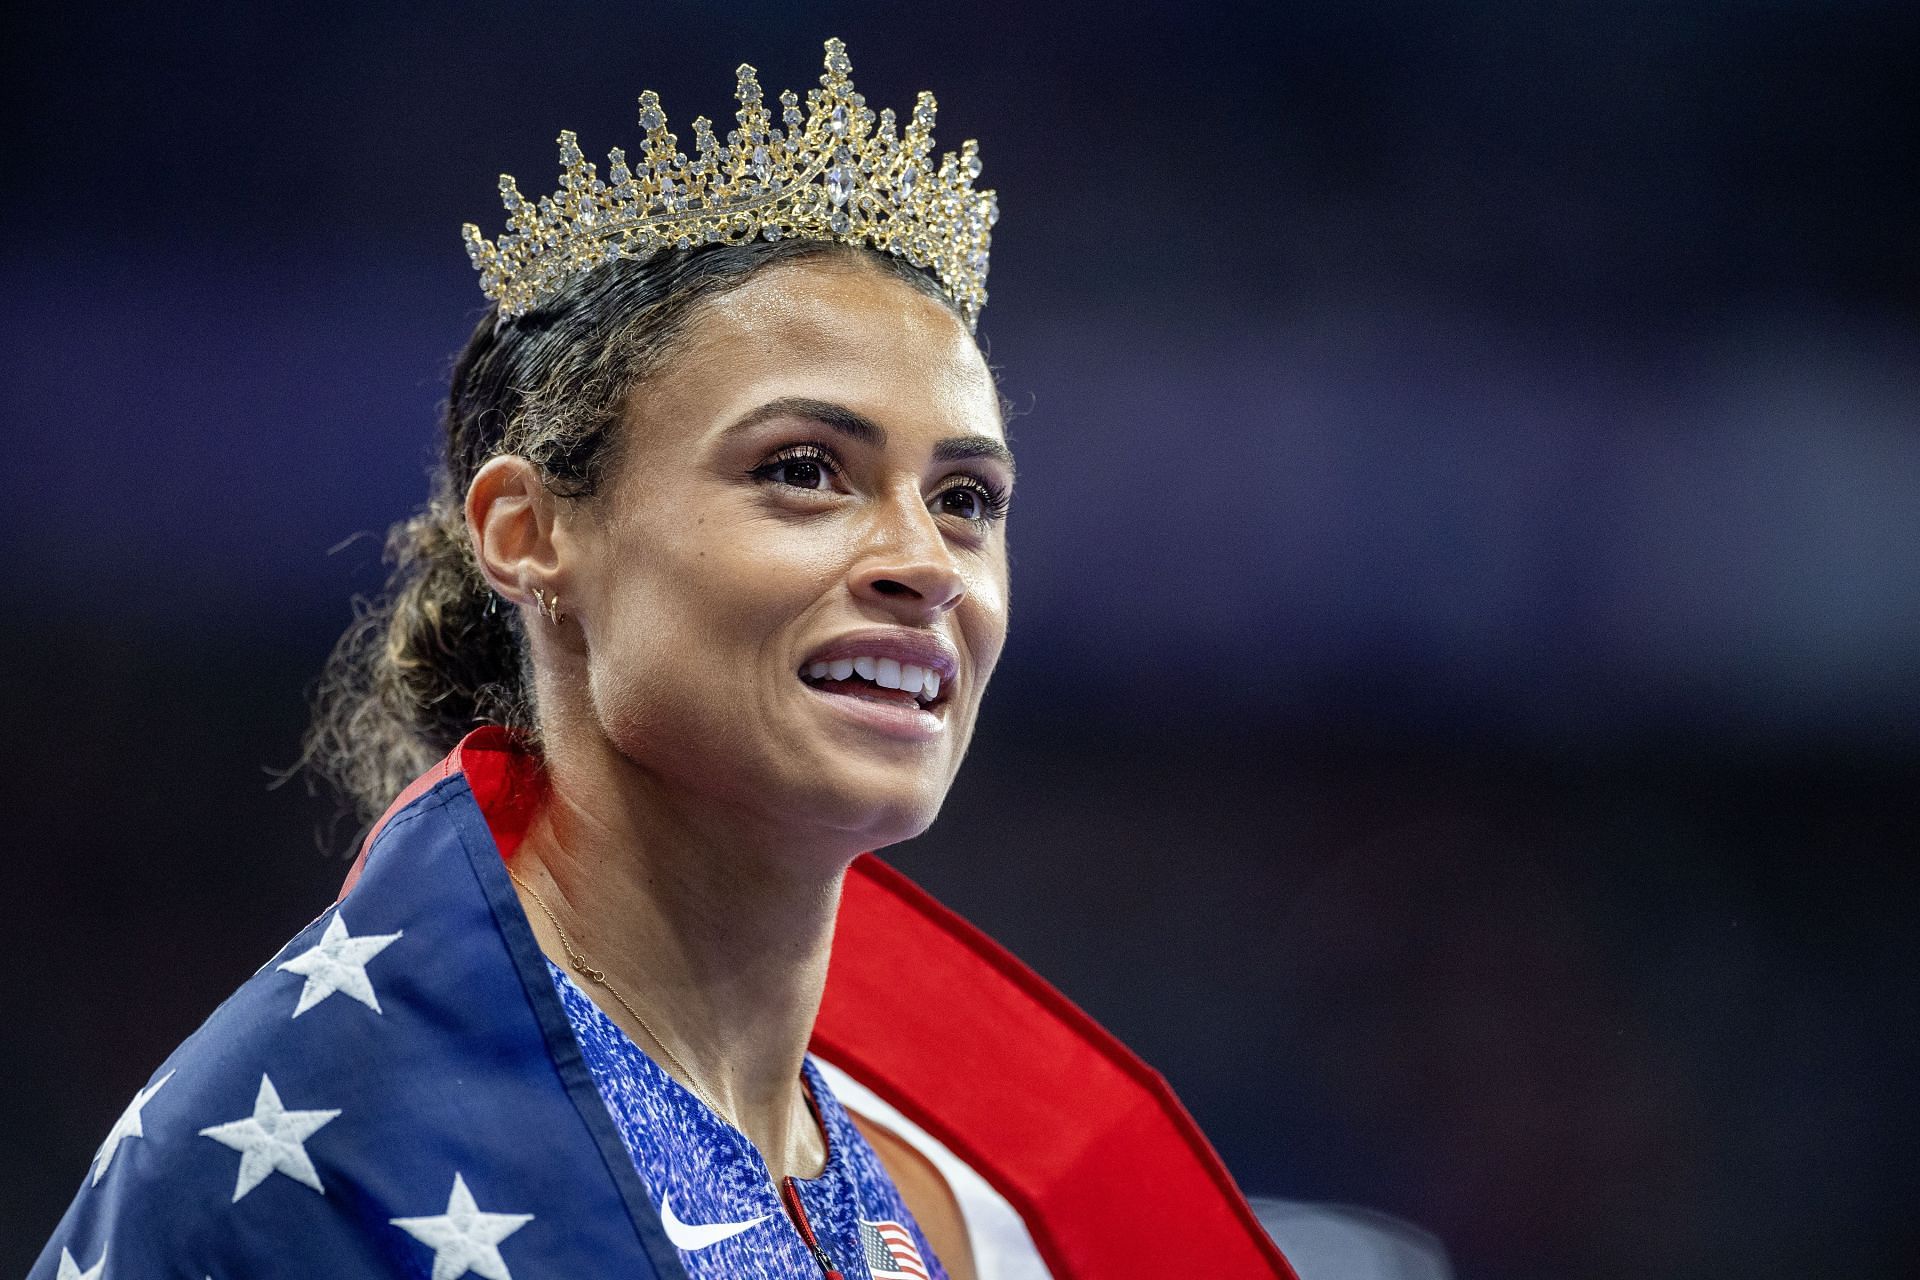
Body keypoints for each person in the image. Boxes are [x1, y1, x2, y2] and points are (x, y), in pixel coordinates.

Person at [32, 39, 1294, 1280]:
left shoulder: (938, 1214)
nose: (929, 561)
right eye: (802, 471)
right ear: (529, 534)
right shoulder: (308, 1159)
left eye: (967, 496)